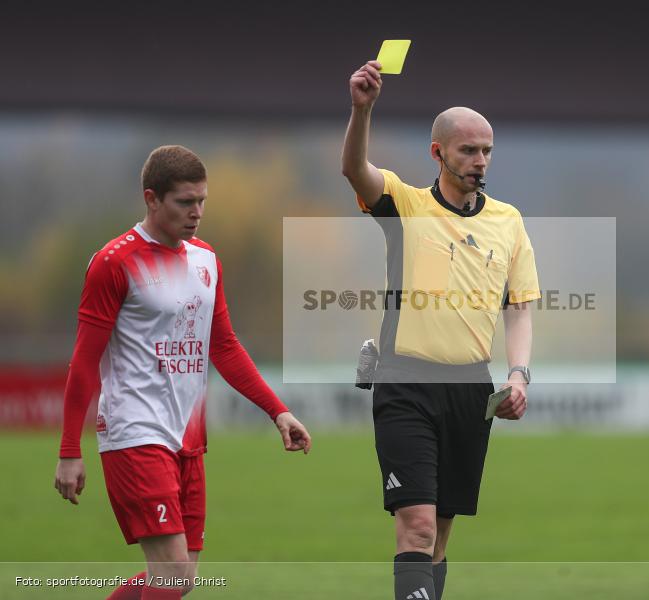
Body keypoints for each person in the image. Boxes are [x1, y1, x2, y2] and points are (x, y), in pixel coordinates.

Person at [53, 145, 312, 600]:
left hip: (187, 437)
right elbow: (85, 361)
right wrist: (69, 450)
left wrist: (278, 411)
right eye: (185, 202)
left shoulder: (206, 259)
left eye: (202, 201)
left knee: (179, 581)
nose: (197, 213)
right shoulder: (114, 262)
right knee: (171, 574)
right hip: (135, 432)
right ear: (152, 199)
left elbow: (225, 347)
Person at [341, 60, 540, 600]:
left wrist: (518, 376)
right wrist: (363, 111)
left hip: (471, 389)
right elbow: (355, 170)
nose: (479, 161)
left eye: (487, 151)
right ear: (439, 153)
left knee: (442, 535)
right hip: (405, 383)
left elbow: (518, 307)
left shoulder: (508, 221)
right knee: (418, 526)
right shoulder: (405, 204)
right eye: (468, 150)